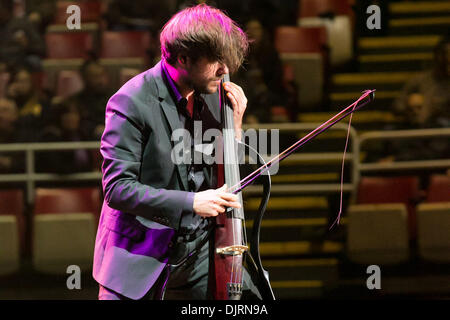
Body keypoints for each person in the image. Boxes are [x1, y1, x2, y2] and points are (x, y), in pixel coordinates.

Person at [93, 4, 260, 300]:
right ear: (183, 58)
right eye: (216, 62)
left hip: (199, 255)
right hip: (141, 255)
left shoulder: (212, 93)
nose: (225, 72)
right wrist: (192, 201)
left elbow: (226, 180)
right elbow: (118, 189)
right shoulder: (131, 102)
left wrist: (233, 129)